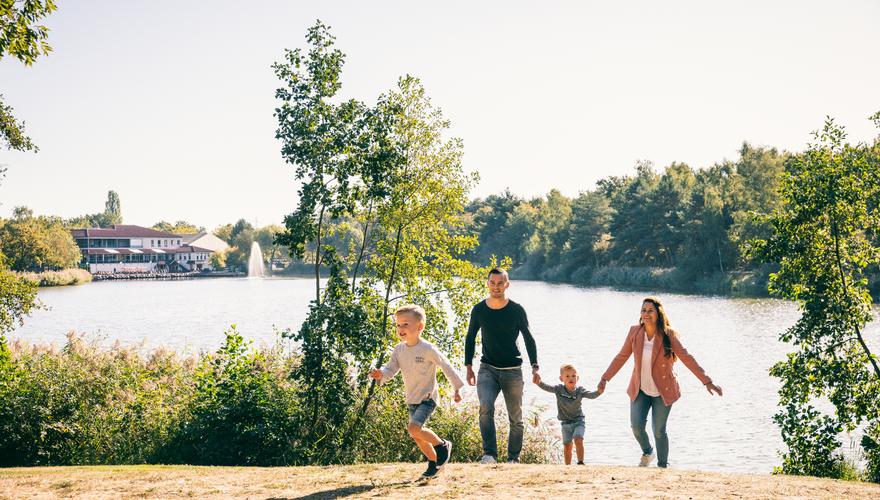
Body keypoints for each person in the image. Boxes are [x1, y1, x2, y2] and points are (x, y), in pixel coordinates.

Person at [598, 296, 723, 468]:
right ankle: (648, 452)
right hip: (640, 389)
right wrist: (605, 378)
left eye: (650, 310)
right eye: (643, 310)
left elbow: (687, 357)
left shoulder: (668, 335)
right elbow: (622, 356)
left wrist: (707, 381)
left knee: (659, 430)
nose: (646, 314)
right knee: (636, 426)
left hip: (663, 390)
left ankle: (662, 466)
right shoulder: (634, 332)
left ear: (658, 313)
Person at [370, 304, 464, 478]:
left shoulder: (427, 349)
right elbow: (391, 369)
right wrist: (380, 373)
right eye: (398, 325)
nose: (400, 328)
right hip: (412, 398)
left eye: (405, 324)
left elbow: (446, 365)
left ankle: (443, 446)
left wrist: (457, 387)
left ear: (420, 327)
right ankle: (434, 463)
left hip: (428, 398)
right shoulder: (399, 350)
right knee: (417, 435)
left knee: (414, 428)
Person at [464, 267, 539, 464]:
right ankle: (490, 454)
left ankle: (513, 458)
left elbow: (529, 338)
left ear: (507, 284)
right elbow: (470, 337)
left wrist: (535, 366)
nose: (496, 287)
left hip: (512, 371)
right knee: (485, 407)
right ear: (487, 283)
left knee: (516, 417)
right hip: (487, 369)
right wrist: (468, 366)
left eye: (500, 283)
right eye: (492, 283)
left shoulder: (516, 310)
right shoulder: (479, 309)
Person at [534, 363, 603, 465]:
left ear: (577, 378)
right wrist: (539, 382)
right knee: (567, 446)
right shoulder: (559, 389)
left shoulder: (580, 391)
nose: (571, 378)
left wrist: (599, 392)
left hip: (578, 421)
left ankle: (580, 462)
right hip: (565, 423)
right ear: (561, 378)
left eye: (573, 376)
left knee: (578, 438)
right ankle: (567, 467)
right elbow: (547, 387)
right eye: (567, 376)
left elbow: (591, 395)